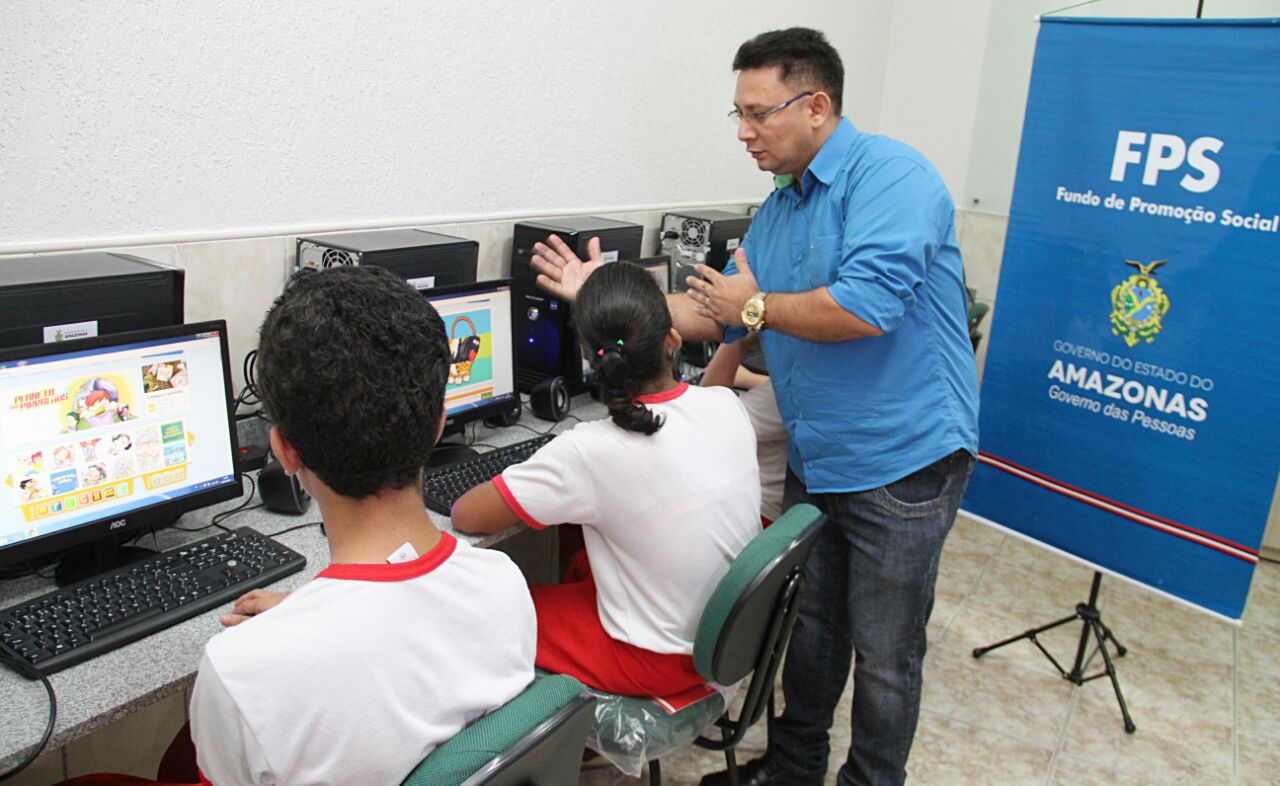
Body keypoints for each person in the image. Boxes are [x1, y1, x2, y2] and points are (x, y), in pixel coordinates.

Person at [530, 27, 978, 786]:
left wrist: (758, 305)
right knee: (816, 631)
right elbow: (716, 314)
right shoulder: (780, 209)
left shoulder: (894, 179)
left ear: (817, 105)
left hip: (902, 460)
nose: (743, 132)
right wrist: (601, 299)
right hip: (821, 452)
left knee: (886, 652)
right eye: (736, 113)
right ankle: (793, 771)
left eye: (758, 113)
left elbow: (865, 308)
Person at [186, 266, 537, 784]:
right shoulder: (504, 581)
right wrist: (309, 614)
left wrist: (300, 629)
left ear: (282, 451)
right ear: (440, 420)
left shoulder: (240, 670)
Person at [451, 261, 760, 699]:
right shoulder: (727, 407)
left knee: (489, 614)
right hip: (721, 635)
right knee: (578, 548)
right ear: (673, 340)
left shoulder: (590, 449)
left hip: (655, 659)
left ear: (585, 356)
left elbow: (468, 515)